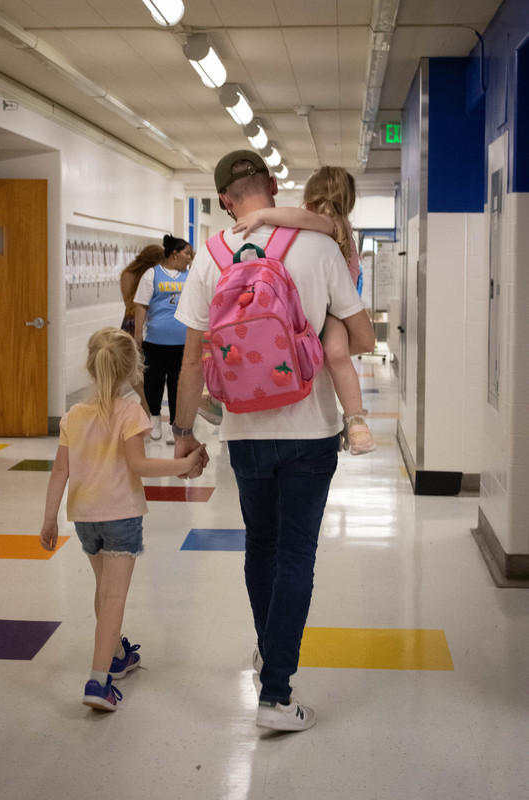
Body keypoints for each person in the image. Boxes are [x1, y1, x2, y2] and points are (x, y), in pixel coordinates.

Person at [172, 150, 375, 732]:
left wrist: (184, 434)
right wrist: (327, 326)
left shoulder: (209, 256)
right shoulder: (319, 246)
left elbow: (192, 361)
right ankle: (277, 694)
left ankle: (269, 653)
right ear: (273, 187)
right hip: (311, 429)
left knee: (259, 546)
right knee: (295, 555)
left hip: (244, 431)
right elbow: (361, 338)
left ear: (225, 200)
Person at [39, 327, 206, 712]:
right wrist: (183, 464)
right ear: (133, 370)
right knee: (114, 597)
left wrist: (49, 519)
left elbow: (60, 472)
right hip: (120, 516)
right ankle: (98, 681)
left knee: (104, 591)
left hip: (84, 518)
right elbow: (139, 465)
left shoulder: (72, 416)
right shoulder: (130, 412)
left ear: (90, 366)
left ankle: (116, 654)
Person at [232, 166, 376, 455]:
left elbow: (300, 218)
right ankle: (355, 421)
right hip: (330, 304)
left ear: (310, 200)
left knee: (334, 353)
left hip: (335, 310)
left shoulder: (331, 223)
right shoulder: (335, 227)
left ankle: (356, 420)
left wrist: (262, 215)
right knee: (318, 352)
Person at [133, 234, 194, 444]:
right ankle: (155, 417)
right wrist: (137, 334)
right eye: (187, 253)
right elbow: (141, 305)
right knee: (154, 381)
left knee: (178, 384)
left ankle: (175, 424)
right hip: (155, 340)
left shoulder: (190, 276)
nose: (190, 257)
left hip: (183, 341)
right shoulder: (152, 274)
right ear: (174, 254)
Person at [119, 244, 166, 414]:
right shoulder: (129, 275)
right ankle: (146, 401)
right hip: (134, 323)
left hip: (152, 322)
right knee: (133, 367)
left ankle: (146, 402)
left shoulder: (156, 275)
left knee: (150, 368)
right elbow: (130, 304)